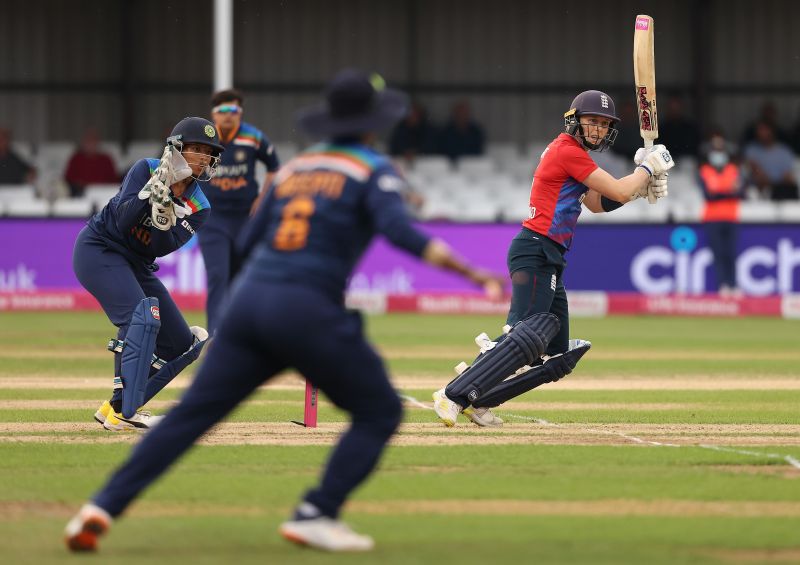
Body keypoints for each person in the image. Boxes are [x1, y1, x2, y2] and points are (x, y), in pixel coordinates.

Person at [64, 69, 504, 553]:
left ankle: (100, 506)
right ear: (372, 124)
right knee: (379, 410)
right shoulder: (372, 167)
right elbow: (405, 235)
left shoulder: (296, 168)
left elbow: (249, 244)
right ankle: (317, 512)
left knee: (192, 417)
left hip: (250, 306)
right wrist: (472, 273)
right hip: (306, 308)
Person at [432, 90, 674, 428]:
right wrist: (647, 170)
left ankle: (480, 396)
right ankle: (454, 394)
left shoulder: (572, 155)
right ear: (574, 120)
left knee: (556, 353)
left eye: (604, 125)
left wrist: (639, 190)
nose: (598, 129)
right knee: (527, 335)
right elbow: (618, 189)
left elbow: (596, 203)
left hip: (548, 254)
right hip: (536, 249)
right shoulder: (567, 151)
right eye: (593, 121)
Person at [71, 117, 223, 431]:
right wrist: (148, 196)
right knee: (142, 315)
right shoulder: (145, 169)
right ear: (177, 148)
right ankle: (125, 412)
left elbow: (163, 247)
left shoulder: (200, 205)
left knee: (183, 344)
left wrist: (165, 215)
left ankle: (115, 408)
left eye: (208, 152)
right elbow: (124, 221)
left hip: (138, 264)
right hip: (100, 249)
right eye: (196, 149)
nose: (202, 158)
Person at [198, 88, 281, 334]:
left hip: (245, 219)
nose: (229, 116)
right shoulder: (203, 139)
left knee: (242, 278)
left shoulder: (253, 137)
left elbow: (274, 168)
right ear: (214, 114)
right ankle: (215, 336)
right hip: (211, 218)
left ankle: (242, 332)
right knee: (217, 277)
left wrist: (262, 200)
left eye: (234, 110)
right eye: (223, 111)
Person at [698, 131, 743, 296]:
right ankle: (722, 286)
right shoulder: (705, 170)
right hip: (712, 219)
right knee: (718, 254)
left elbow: (740, 193)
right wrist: (728, 191)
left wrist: (720, 192)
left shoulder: (733, 170)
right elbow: (708, 196)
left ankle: (733, 285)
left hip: (731, 218)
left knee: (731, 253)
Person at [743, 121, 799, 200]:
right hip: (758, 191)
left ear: (771, 131)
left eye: (764, 130)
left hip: (781, 191)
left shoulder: (785, 151)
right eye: (759, 130)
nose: (760, 133)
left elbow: (788, 176)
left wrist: (774, 185)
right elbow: (755, 172)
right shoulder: (751, 150)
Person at [64, 128, 119, 197]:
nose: (91, 144)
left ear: (98, 142)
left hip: (104, 195)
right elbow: (68, 181)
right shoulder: (75, 159)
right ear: (83, 142)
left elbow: (114, 182)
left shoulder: (106, 159)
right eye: (88, 141)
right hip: (81, 195)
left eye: (93, 140)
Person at [657, 94, 701, 159]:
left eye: (677, 107)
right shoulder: (662, 127)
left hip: (685, 159)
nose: (674, 110)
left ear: (682, 108)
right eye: (672, 107)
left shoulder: (690, 127)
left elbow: (694, 146)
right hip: (666, 159)